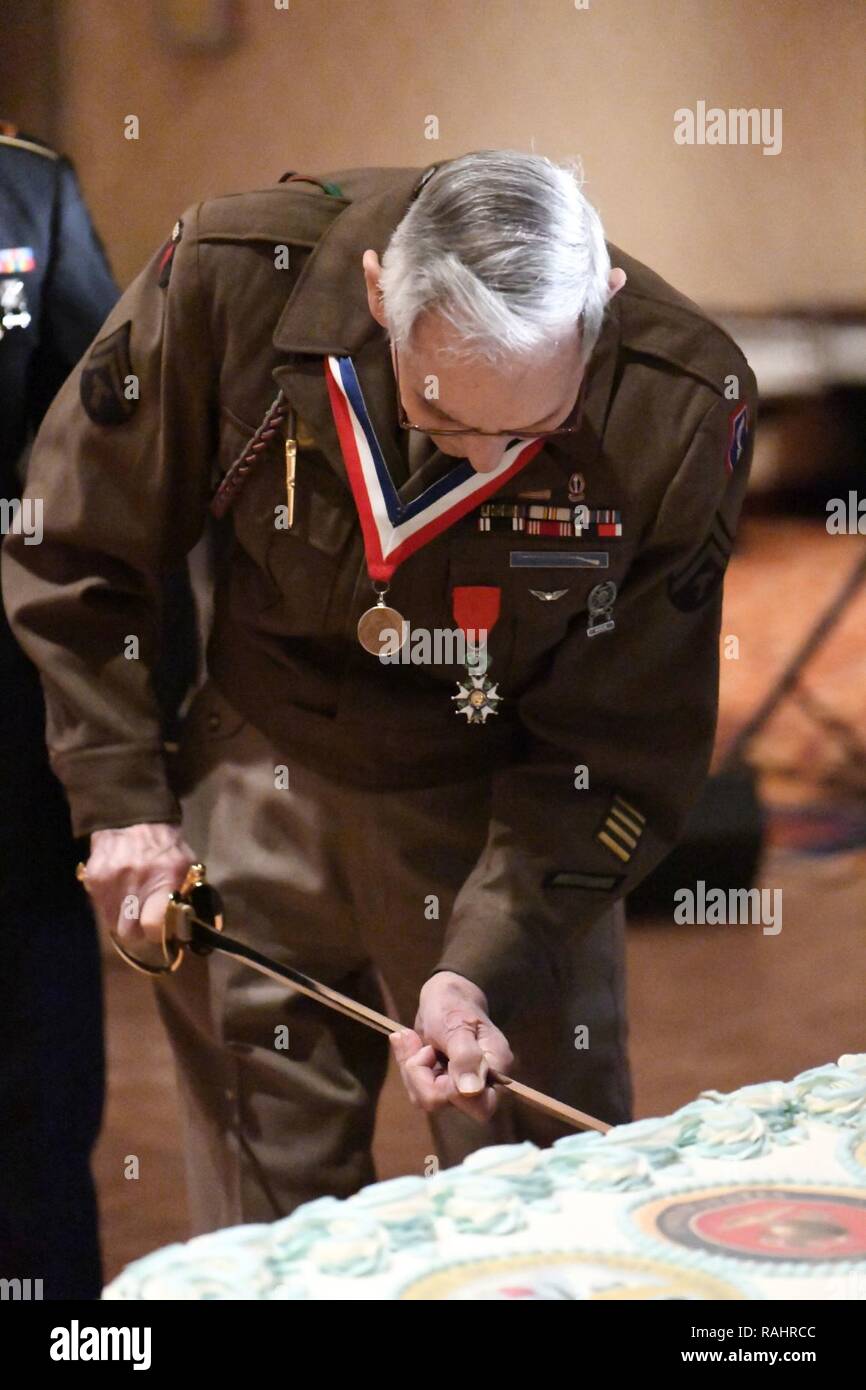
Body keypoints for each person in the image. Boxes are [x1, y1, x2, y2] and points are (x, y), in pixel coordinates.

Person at [2, 150, 757, 1235]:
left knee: (538, 1205)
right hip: (255, 779)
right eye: (444, 416)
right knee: (271, 1213)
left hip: (503, 814)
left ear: (603, 309)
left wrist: (481, 962)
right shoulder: (234, 278)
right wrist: (119, 792)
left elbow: (619, 744)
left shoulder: (677, 407)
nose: (484, 452)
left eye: (526, 430)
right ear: (373, 295)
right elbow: (75, 541)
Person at [0, 121, 118, 1297]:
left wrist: (136, 744)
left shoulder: (25, 194)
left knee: (34, 1088)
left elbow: (100, 473)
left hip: (7, 729)